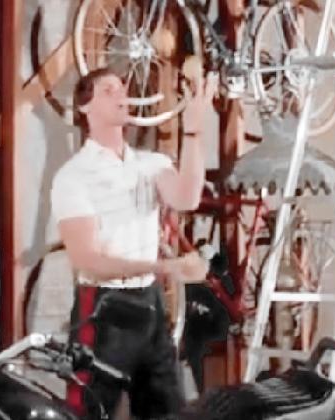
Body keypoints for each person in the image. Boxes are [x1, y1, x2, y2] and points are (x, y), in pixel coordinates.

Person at [50, 67, 217, 419]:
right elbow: (87, 259)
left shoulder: (150, 164)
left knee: (168, 411)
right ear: (85, 107)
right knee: (90, 412)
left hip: (150, 306)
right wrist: (163, 266)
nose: (120, 95)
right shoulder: (74, 176)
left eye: (122, 88)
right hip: (104, 309)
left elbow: (187, 197)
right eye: (108, 90)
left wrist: (194, 130)